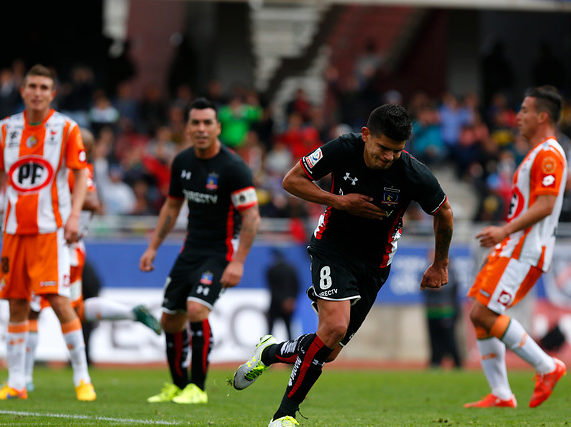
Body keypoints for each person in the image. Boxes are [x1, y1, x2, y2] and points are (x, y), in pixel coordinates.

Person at [233, 104, 454, 426]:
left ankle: (269, 353)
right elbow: (292, 181)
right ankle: (284, 417)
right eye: (383, 148)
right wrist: (339, 201)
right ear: (366, 136)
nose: (389, 157)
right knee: (334, 328)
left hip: (375, 264)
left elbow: (444, 213)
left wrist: (440, 263)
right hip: (332, 248)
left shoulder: (411, 172)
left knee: (329, 348)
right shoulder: (343, 148)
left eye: (396, 151)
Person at [0, 127, 161, 394]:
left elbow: (93, 201)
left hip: (61, 249)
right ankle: (25, 377)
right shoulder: (69, 171)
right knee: (67, 309)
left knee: (44, 307)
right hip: (63, 248)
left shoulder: (76, 172)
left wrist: (62, 205)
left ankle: (33, 377)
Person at [0, 64, 94, 401]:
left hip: (49, 230)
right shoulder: (5, 129)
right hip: (13, 231)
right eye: (32, 86)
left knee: (57, 299)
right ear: (22, 90)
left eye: (44, 87)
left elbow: (81, 174)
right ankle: (16, 383)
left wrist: (72, 217)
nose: (37, 92)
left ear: (52, 93)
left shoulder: (67, 129)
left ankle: (82, 378)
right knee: (16, 304)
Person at [140, 97, 261, 404]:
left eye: (208, 122)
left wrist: (238, 261)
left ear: (218, 127)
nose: (202, 128)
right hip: (189, 250)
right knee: (170, 320)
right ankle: (179, 386)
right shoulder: (182, 162)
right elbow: (171, 206)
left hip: (220, 253)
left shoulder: (233, 167)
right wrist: (153, 247)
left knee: (196, 310)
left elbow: (251, 216)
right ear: (188, 127)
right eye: (196, 122)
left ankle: (198, 388)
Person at [464, 85, 568, 409]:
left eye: (524, 110)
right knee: (479, 313)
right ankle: (501, 393)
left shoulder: (549, 153)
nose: (518, 116)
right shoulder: (537, 153)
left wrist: (504, 230)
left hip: (524, 247)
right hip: (514, 245)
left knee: (484, 312)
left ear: (543, 116)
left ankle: (547, 366)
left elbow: (547, 204)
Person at [423, 250, 461, 369]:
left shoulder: (449, 270)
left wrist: (436, 286)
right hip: (431, 311)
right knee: (434, 339)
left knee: (449, 339)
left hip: (446, 310)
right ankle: (435, 362)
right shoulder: (425, 270)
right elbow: (421, 285)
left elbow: (450, 286)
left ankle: (457, 363)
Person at [265, 248, 300, 340]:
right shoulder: (292, 269)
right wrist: (291, 300)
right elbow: (297, 286)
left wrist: (282, 301)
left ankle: (266, 348)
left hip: (275, 304)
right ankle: (292, 350)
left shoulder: (271, 269)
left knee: (270, 329)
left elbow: (273, 288)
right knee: (289, 328)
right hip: (289, 303)